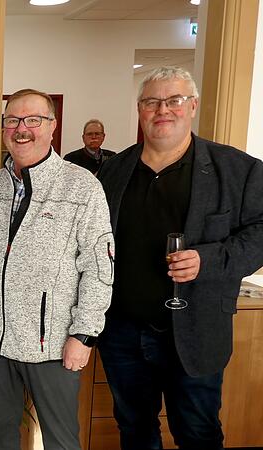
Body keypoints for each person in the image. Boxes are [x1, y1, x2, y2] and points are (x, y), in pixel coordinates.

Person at [97, 67, 263, 450]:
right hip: (122, 330)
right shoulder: (113, 171)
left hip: (196, 330)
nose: (163, 110)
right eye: (152, 102)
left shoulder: (237, 170)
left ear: (192, 106)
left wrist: (210, 259)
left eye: (174, 100)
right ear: (140, 109)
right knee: (134, 430)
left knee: (198, 433)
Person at [0, 89, 114, 450]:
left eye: (33, 120)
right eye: (12, 120)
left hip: (54, 346)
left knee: (60, 440)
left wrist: (84, 334)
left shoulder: (82, 186)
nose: (21, 128)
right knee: (0, 433)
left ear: (52, 127)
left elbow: (99, 268)